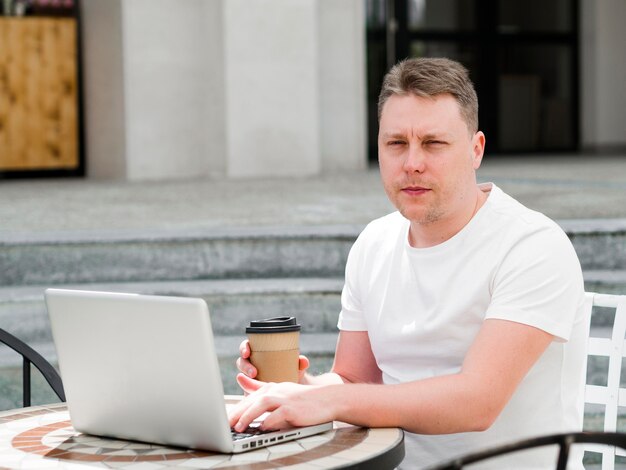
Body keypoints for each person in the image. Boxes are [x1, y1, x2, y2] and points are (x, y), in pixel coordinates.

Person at [228, 57, 587, 469]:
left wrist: (327, 399)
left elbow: (477, 403)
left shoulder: (532, 245)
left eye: (433, 143)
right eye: (396, 143)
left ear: (476, 150)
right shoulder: (374, 243)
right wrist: (296, 387)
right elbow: (355, 381)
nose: (412, 162)